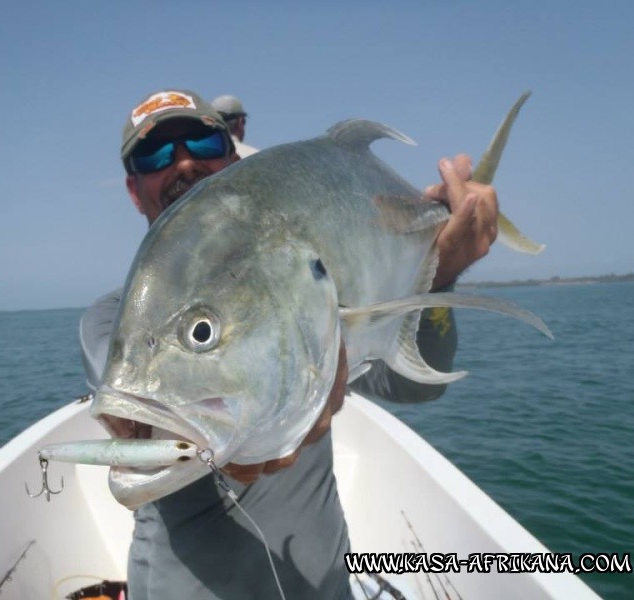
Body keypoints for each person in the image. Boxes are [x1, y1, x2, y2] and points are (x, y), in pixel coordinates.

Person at [79, 89, 499, 599]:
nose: (184, 161)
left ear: (233, 156)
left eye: (203, 141)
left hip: (323, 584)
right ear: (133, 188)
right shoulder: (109, 318)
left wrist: (441, 276)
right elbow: (147, 413)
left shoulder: (298, 268)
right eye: (156, 154)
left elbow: (414, 387)